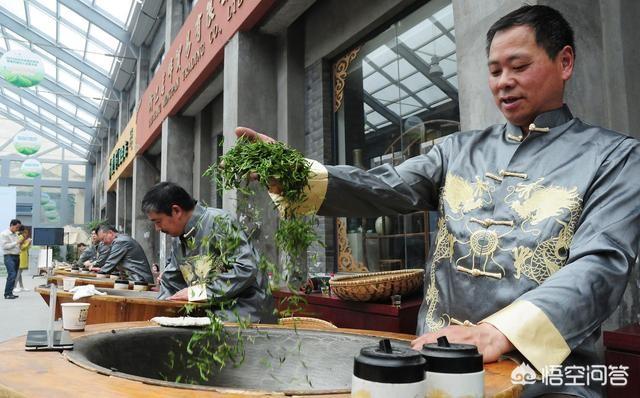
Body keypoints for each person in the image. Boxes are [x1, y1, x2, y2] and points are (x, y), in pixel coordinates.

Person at [234, 5, 640, 396]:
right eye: (495, 71)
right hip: (436, 363)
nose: (503, 82)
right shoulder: (455, 151)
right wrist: (293, 173)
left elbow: (600, 265)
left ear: (564, 62)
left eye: (519, 67)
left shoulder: (614, 158)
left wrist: (500, 332)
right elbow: (383, 185)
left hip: (546, 377)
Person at [141, 182, 275, 323]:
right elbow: (172, 281)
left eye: (158, 221)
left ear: (176, 211)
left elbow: (245, 269)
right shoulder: (179, 238)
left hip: (244, 314)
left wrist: (195, 293)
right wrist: (159, 312)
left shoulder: (220, 222)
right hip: (211, 315)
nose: (157, 228)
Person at [0, 219, 22, 299]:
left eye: (18, 227)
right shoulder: (4, 234)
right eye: (16, 227)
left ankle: (10, 293)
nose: (17, 229)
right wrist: (17, 243)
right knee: (12, 274)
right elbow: (4, 246)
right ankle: (7, 294)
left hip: (16, 256)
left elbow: (17, 246)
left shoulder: (15, 234)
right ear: (12, 225)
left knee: (14, 275)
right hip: (9, 256)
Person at [14, 225, 31, 293]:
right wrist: (28, 243)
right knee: (18, 272)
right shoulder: (20, 237)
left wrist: (28, 243)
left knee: (19, 272)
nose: (27, 234)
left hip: (23, 255)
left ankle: (21, 286)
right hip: (21, 256)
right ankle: (14, 287)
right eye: (26, 232)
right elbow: (21, 247)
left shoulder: (22, 237)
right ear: (23, 232)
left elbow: (26, 247)